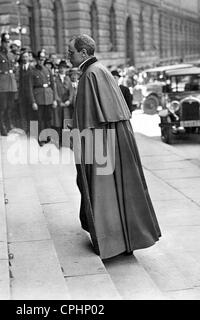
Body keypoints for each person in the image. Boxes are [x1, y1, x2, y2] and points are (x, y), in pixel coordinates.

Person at [67, 34, 161, 260]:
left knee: (103, 191)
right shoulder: (100, 70)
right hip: (116, 138)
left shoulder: (90, 74)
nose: (68, 55)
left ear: (84, 53)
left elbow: (88, 120)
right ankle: (124, 240)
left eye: (71, 52)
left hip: (102, 140)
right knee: (122, 189)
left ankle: (111, 241)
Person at [28, 50, 57, 145]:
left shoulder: (47, 70)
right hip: (39, 98)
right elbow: (30, 88)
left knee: (48, 118)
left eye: (42, 59)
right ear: (36, 59)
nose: (41, 61)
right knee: (39, 119)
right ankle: (41, 138)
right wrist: (33, 102)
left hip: (48, 97)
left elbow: (53, 86)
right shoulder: (32, 71)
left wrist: (54, 99)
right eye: (39, 59)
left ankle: (48, 136)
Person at [0, 33, 18, 136]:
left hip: (11, 83)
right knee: (2, 106)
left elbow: (14, 67)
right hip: (1, 84)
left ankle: (9, 124)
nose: (7, 44)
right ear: (1, 43)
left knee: (10, 106)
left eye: (8, 42)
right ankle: (2, 125)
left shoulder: (11, 55)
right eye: (5, 42)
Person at [53, 60, 74, 144]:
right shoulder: (55, 79)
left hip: (66, 105)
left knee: (66, 122)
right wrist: (59, 101)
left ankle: (66, 142)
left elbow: (71, 92)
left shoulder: (68, 79)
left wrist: (69, 100)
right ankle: (58, 141)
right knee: (58, 123)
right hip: (59, 105)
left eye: (64, 68)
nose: (62, 70)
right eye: (61, 68)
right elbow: (55, 91)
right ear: (58, 69)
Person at [16, 49, 35, 134]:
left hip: (30, 94)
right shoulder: (19, 68)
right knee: (22, 113)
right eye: (23, 57)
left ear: (29, 58)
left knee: (30, 113)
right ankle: (24, 129)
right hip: (21, 94)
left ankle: (31, 130)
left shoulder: (32, 68)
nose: (25, 58)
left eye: (26, 57)